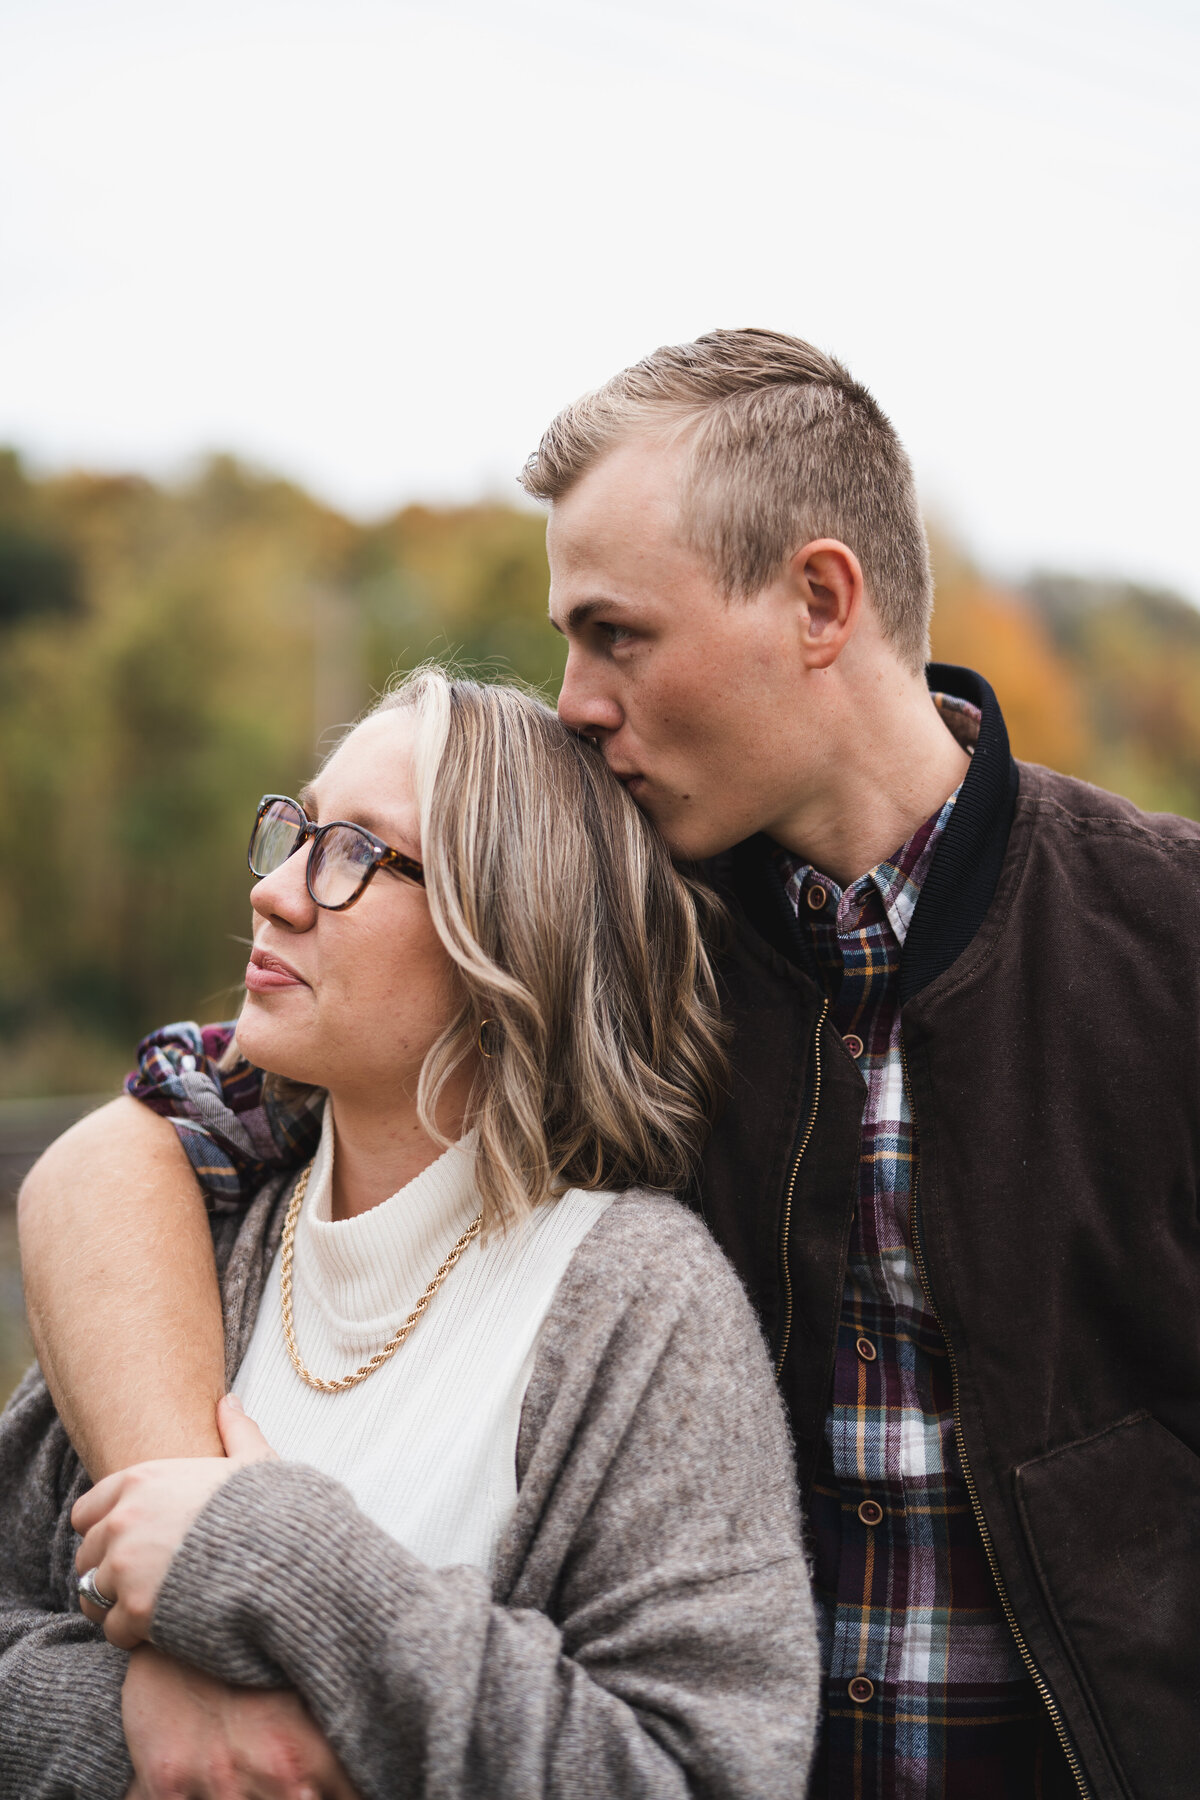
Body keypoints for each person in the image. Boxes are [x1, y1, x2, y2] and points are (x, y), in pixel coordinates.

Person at [18, 330, 1199, 1800]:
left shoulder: (1172, 945)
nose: (574, 697)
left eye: (615, 633)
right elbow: (125, 1151)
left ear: (819, 601)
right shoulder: (623, 948)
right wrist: (184, 1611)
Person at [1, 668, 819, 1799]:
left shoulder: (639, 1303)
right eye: (293, 831)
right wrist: (138, 1722)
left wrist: (291, 1560)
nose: (278, 893)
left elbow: (694, 1773)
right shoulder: (198, 1243)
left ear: (505, 932)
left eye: (355, 855)